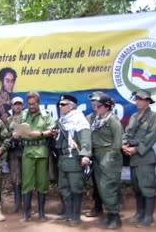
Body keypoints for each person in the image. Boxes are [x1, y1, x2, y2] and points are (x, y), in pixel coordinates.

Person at [122, 89, 156, 227]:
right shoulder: (134, 116)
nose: (137, 102)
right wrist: (124, 145)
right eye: (136, 99)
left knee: (147, 188)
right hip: (133, 158)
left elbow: (151, 137)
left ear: (148, 101)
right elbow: (127, 132)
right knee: (137, 187)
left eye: (141, 99)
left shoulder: (154, 117)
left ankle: (148, 217)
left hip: (145, 158)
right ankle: (139, 213)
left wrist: (136, 149)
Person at [13, 92, 55, 222]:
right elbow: (15, 130)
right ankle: (26, 213)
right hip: (28, 152)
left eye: (34, 104)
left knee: (42, 183)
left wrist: (40, 133)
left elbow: (52, 131)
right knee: (27, 183)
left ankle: (42, 213)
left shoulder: (46, 115)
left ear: (38, 103)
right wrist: (16, 134)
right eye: (29, 104)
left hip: (41, 151)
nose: (31, 106)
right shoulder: (23, 115)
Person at [54, 94, 92, 226]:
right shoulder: (62, 120)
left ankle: (76, 216)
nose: (60, 107)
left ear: (72, 106)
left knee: (76, 188)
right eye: (60, 104)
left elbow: (85, 137)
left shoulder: (79, 119)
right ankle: (68, 213)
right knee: (64, 187)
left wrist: (86, 154)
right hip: (63, 158)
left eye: (63, 104)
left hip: (75, 159)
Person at [90, 94, 123, 229]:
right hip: (98, 156)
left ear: (107, 107)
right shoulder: (97, 120)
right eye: (95, 106)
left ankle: (115, 217)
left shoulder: (113, 121)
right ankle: (109, 216)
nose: (96, 109)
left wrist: (109, 158)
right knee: (102, 188)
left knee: (109, 187)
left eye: (99, 106)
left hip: (109, 157)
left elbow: (117, 143)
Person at [84, 91, 104, 218]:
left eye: (96, 101)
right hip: (93, 156)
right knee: (96, 183)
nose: (93, 103)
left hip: (105, 156)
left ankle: (113, 210)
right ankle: (98, 208)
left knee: (107, 183)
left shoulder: (108, 117)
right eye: (92, 101)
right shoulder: (89, 118)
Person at [6, 96, 24, 213]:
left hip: (26, 151)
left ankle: (26, 204)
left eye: (20, 104)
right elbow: (4, 136)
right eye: (15, 104)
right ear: (12, 106)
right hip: (13, 152)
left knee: (28, 178)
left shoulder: (27, 117)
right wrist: (12, 137)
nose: (17, 106)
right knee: (15, 178)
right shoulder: (8, 120)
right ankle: (17, 203)